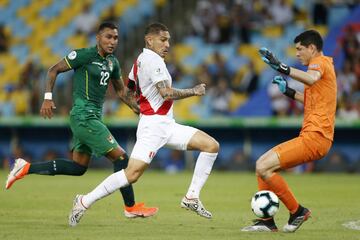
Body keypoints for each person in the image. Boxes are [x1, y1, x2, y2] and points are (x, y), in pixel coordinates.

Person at [68, 22, 220, 227]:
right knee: (131, 174)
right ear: (150, 40)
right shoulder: (152, 60)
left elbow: (130, 87)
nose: (167, 45)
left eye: (169, 41)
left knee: (211, 146)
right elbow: (166, 93)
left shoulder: (140, 59)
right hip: (153, 127)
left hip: (167, 124)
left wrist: (138, 105)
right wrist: (194, 91)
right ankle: (84, 201)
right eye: (163, 40)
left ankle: (191, 197)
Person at [5, 22, 158, 218]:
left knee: (78, 167)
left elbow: (121, 91)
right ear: (98, 38)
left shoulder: (113, 62)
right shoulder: (83, 55)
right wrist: (48, 98)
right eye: (108, 37)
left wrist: (139, 108)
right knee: (121, 158)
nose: (112, 42)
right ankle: (131, 207)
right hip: (83, 116)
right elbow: (53, 70)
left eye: (116, 38)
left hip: (93, 116)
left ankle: (25, 167)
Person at [242, 30, 336, 232]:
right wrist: (288, 91)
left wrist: (281, 67)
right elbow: (311, 99)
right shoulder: (324, 68)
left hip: (316, 137)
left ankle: (297, 211)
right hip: (314, 137)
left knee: (262, 165)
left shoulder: (319, 63)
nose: (297, 54)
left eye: (300, 49)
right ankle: (268, 222)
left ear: (312, 48)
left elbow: (310, 78)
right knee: (263, 166)